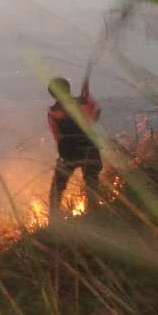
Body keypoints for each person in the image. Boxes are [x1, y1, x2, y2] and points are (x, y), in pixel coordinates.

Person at [47, 76, 101, 219]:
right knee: (92, 186)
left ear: (53, 94)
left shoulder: (53, 112)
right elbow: (95, 116)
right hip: (89, 150)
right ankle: (95, 217)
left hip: (68, 154)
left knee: (56, 190)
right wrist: (88, 99)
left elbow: (56, 134)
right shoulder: (83, 103)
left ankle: (54, 223)